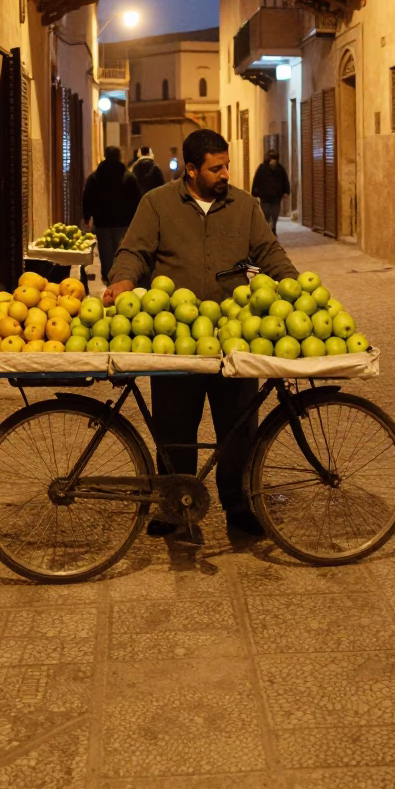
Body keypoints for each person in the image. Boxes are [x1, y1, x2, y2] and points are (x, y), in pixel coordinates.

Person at [104, 128, 300, 541]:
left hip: (236, 336)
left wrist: (296, 290)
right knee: (174, 427)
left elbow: (270, 254)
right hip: (174, 338)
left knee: (239, 427)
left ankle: (239, 505)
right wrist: (122, 280)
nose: (225, 173)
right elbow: (133, 250)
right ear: (191, 171)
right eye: (216, 168)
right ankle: (175, 506)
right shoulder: (156, 204)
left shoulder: (243, 206)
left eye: (227, 165)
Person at [82, 147, 141, 285]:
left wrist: (87, 216)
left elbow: (87, 196)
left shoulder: (95, 177)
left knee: (105, 253)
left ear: (105, 156)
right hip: (124, 222)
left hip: (102, 222)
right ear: (120, 157)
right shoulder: (129, 177)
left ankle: (108, 278)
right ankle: (120, 277)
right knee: (121, 251)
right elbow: (137, 200)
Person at [250, 149, 291, 234]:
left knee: (275, 214)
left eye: (275, 158)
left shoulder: (280, 169)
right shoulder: (262, 168)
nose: (273, 160)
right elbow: (256, 180)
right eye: (272, 158)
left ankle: (273, 228)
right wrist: (254, 193)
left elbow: (285, 180)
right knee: (266, 214)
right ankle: (267, 229)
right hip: (265, 197)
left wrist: (286, 192)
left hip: (276, 198)